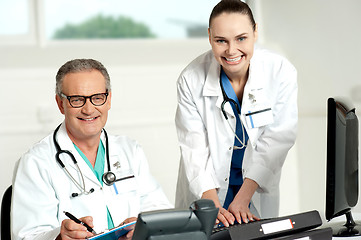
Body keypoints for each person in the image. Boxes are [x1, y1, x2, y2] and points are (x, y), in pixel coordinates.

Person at [11, 59, 172, 240]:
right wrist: (58, 237)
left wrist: (142, 225)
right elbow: (27, 236)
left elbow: (159, 211)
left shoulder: (130, 150)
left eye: (97, 98)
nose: (88, 109)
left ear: (108, 99)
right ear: (60, 103)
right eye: (77, 100)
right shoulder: (36, 162)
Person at [175, 0, 298, 227]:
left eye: (241, 38)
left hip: (254, 189)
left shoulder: (280, 72)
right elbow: (193, 148)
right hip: (207, 191)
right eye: (221, 40)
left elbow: (278, 139)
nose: (231, 51)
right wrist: (211, 205)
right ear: (210, 36)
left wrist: (243, 197)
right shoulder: (191, 79)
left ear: (255, 32)